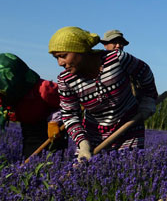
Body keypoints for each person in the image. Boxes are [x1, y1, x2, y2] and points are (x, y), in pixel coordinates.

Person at [48, 27, 159, 160]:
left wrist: (148, 100)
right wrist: (83, 143)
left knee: (127, 170)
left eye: (63, 56)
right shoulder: (66, 80)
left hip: (129, 127)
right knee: (83, 173)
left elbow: (144, 73)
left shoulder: (117, 59)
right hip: (93, 133)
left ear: (80, 51)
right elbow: (70, 115)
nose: (60, 63)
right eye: (56, 58)